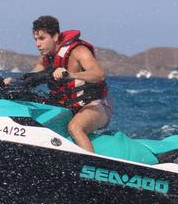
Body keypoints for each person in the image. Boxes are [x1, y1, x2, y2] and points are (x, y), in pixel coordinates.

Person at [14, 15, 113, 153]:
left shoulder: (78, 51)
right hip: (67, 107)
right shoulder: (45, 58)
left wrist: (69, 74)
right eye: (36, 39)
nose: (37, 44)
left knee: (75, 128)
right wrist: (12, 81)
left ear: (55, 36)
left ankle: (89, 169)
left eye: (42, 38)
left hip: (96, 105)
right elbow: (32, 77)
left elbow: (98, 74)